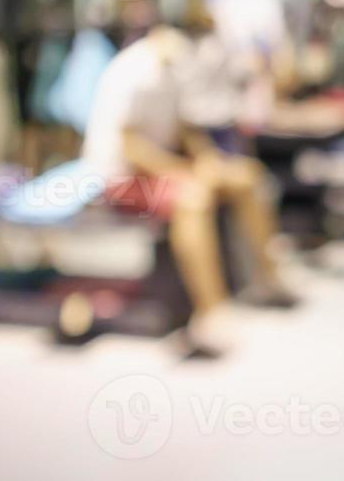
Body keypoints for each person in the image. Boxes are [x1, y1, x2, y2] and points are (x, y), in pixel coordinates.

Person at [81, 25, 298, 353]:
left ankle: (266, 278)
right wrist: (183, 172)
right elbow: (130, 145)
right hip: (120, 179)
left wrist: (206, 160)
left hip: (163, 167)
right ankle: (211, 310)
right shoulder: (133, 72)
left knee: (247, 176)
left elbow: (186, 127)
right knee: (193, 198)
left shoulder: (177, 66)